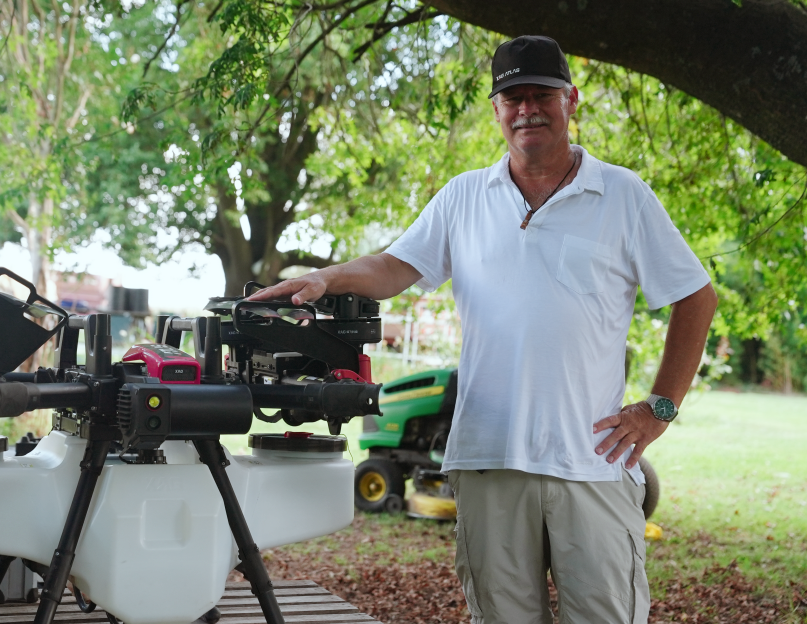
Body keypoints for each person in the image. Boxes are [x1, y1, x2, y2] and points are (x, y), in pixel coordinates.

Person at [248, 35, 718, 624]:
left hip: (592, 461)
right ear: (496, 110)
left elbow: (696, 297)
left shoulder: (623, 195)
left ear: (571, 100)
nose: (528, 109)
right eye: (512, 97)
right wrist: (329, 277)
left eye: (541, 94)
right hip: (488, 458)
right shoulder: (463, 196)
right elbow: (394, 267)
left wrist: (660, 407)